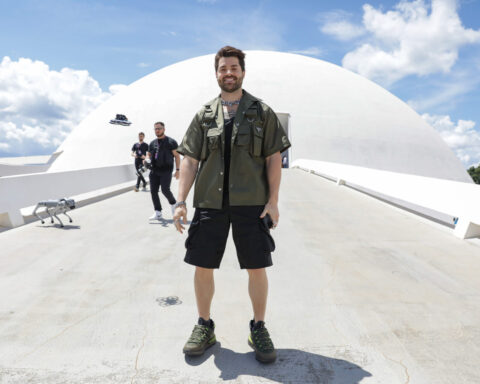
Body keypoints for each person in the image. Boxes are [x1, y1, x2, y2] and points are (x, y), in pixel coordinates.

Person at [174, 46, 291, 363]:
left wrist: (274, 200)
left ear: (242, 71)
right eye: (223, 68)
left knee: (256, 267)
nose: (229, 73)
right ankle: (204, 326)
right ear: (217, 73)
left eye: (234, 68)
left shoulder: (261, 112)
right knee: (203, 265)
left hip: (251, 203)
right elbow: (190, 159)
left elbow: (273, 159)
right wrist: (181, 200)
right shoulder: (204, 115)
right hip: (210, 202)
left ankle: (258, 327)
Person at [146, 122, 180, 220]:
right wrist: (147, 159)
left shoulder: (171, 142)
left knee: (165, 190)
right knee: (153, 191)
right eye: (155, 129)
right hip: (154, 171)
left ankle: (174, 205)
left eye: (159, 128)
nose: (157, 130)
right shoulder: (152, 143)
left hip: (166, 170)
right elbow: (148, 154)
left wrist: (178, 170)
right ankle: (158, 212)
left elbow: (177, 156)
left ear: (164, 129)